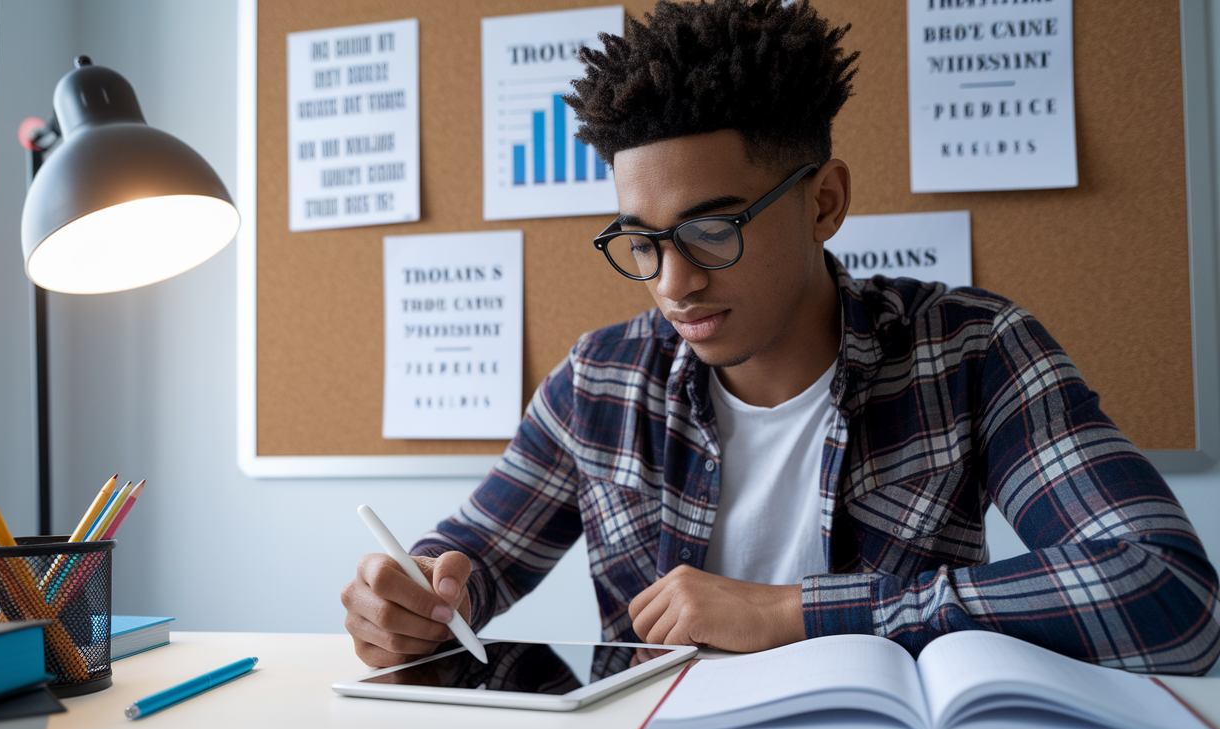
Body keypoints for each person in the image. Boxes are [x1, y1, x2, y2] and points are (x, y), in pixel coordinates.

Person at [340, 0, 1219, 674]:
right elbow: (472, 563)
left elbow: (1172, 595)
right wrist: (414, 597)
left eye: (712, 230)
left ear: (824, 202)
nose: (672, 282)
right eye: (640, 241)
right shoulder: (598, 383)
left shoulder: (972, 351)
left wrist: (799, 611)